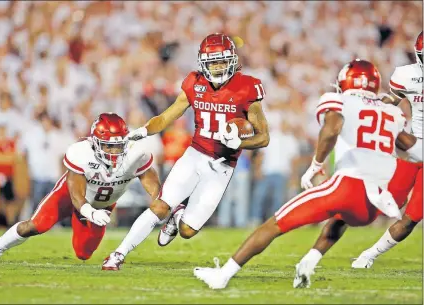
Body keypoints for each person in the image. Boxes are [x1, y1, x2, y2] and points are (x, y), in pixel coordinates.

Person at [192, 59, 422, 289]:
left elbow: (332, 129)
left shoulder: (340, 100)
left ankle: (222, 276)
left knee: (274, 224)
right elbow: (415, 150)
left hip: (348, 186)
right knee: (339, 220)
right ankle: (309, 261)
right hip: (374, 205)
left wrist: (316, 164)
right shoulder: (392, 112)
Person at [102, 33, 270, 271]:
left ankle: (179, 215)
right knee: (160, 206)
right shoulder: (194, 82)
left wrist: (239, 143)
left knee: (188, 231)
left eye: (222, 61)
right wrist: (141, 131)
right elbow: (166, 117)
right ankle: (118, 254)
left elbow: (263, 137)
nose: (218, 67)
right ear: (203, 63)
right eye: (213, 62)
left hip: (222, 167)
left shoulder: (247, 87)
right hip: (195, 154)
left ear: (232, 61)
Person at [0, 113, 161, 264]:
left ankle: (79, 221)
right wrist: (89, 212)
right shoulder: (81, 152)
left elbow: (154, 189)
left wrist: (163, 205)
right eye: (108, 146)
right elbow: (77, 196)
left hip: (102, 205)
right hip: (70, 196)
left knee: (83, 253)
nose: (114, 153)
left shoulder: (137, 154)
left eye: (118, 146)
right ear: (95, 142)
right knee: (35, 225)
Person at [351, 32, 423, 269]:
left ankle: (369, 255)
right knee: (381, 202)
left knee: (412, 217)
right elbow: (393, 99)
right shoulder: (406, 75)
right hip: (412, 149)